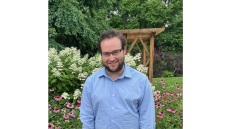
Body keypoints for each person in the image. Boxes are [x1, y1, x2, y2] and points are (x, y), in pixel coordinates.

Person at [80, 29, 155, 129]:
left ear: (124, 50)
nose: (111, 58)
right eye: (106, 54)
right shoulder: (91, 82)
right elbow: (87, 119)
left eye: (115, 52)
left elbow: (147, 121)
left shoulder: (141, 81)